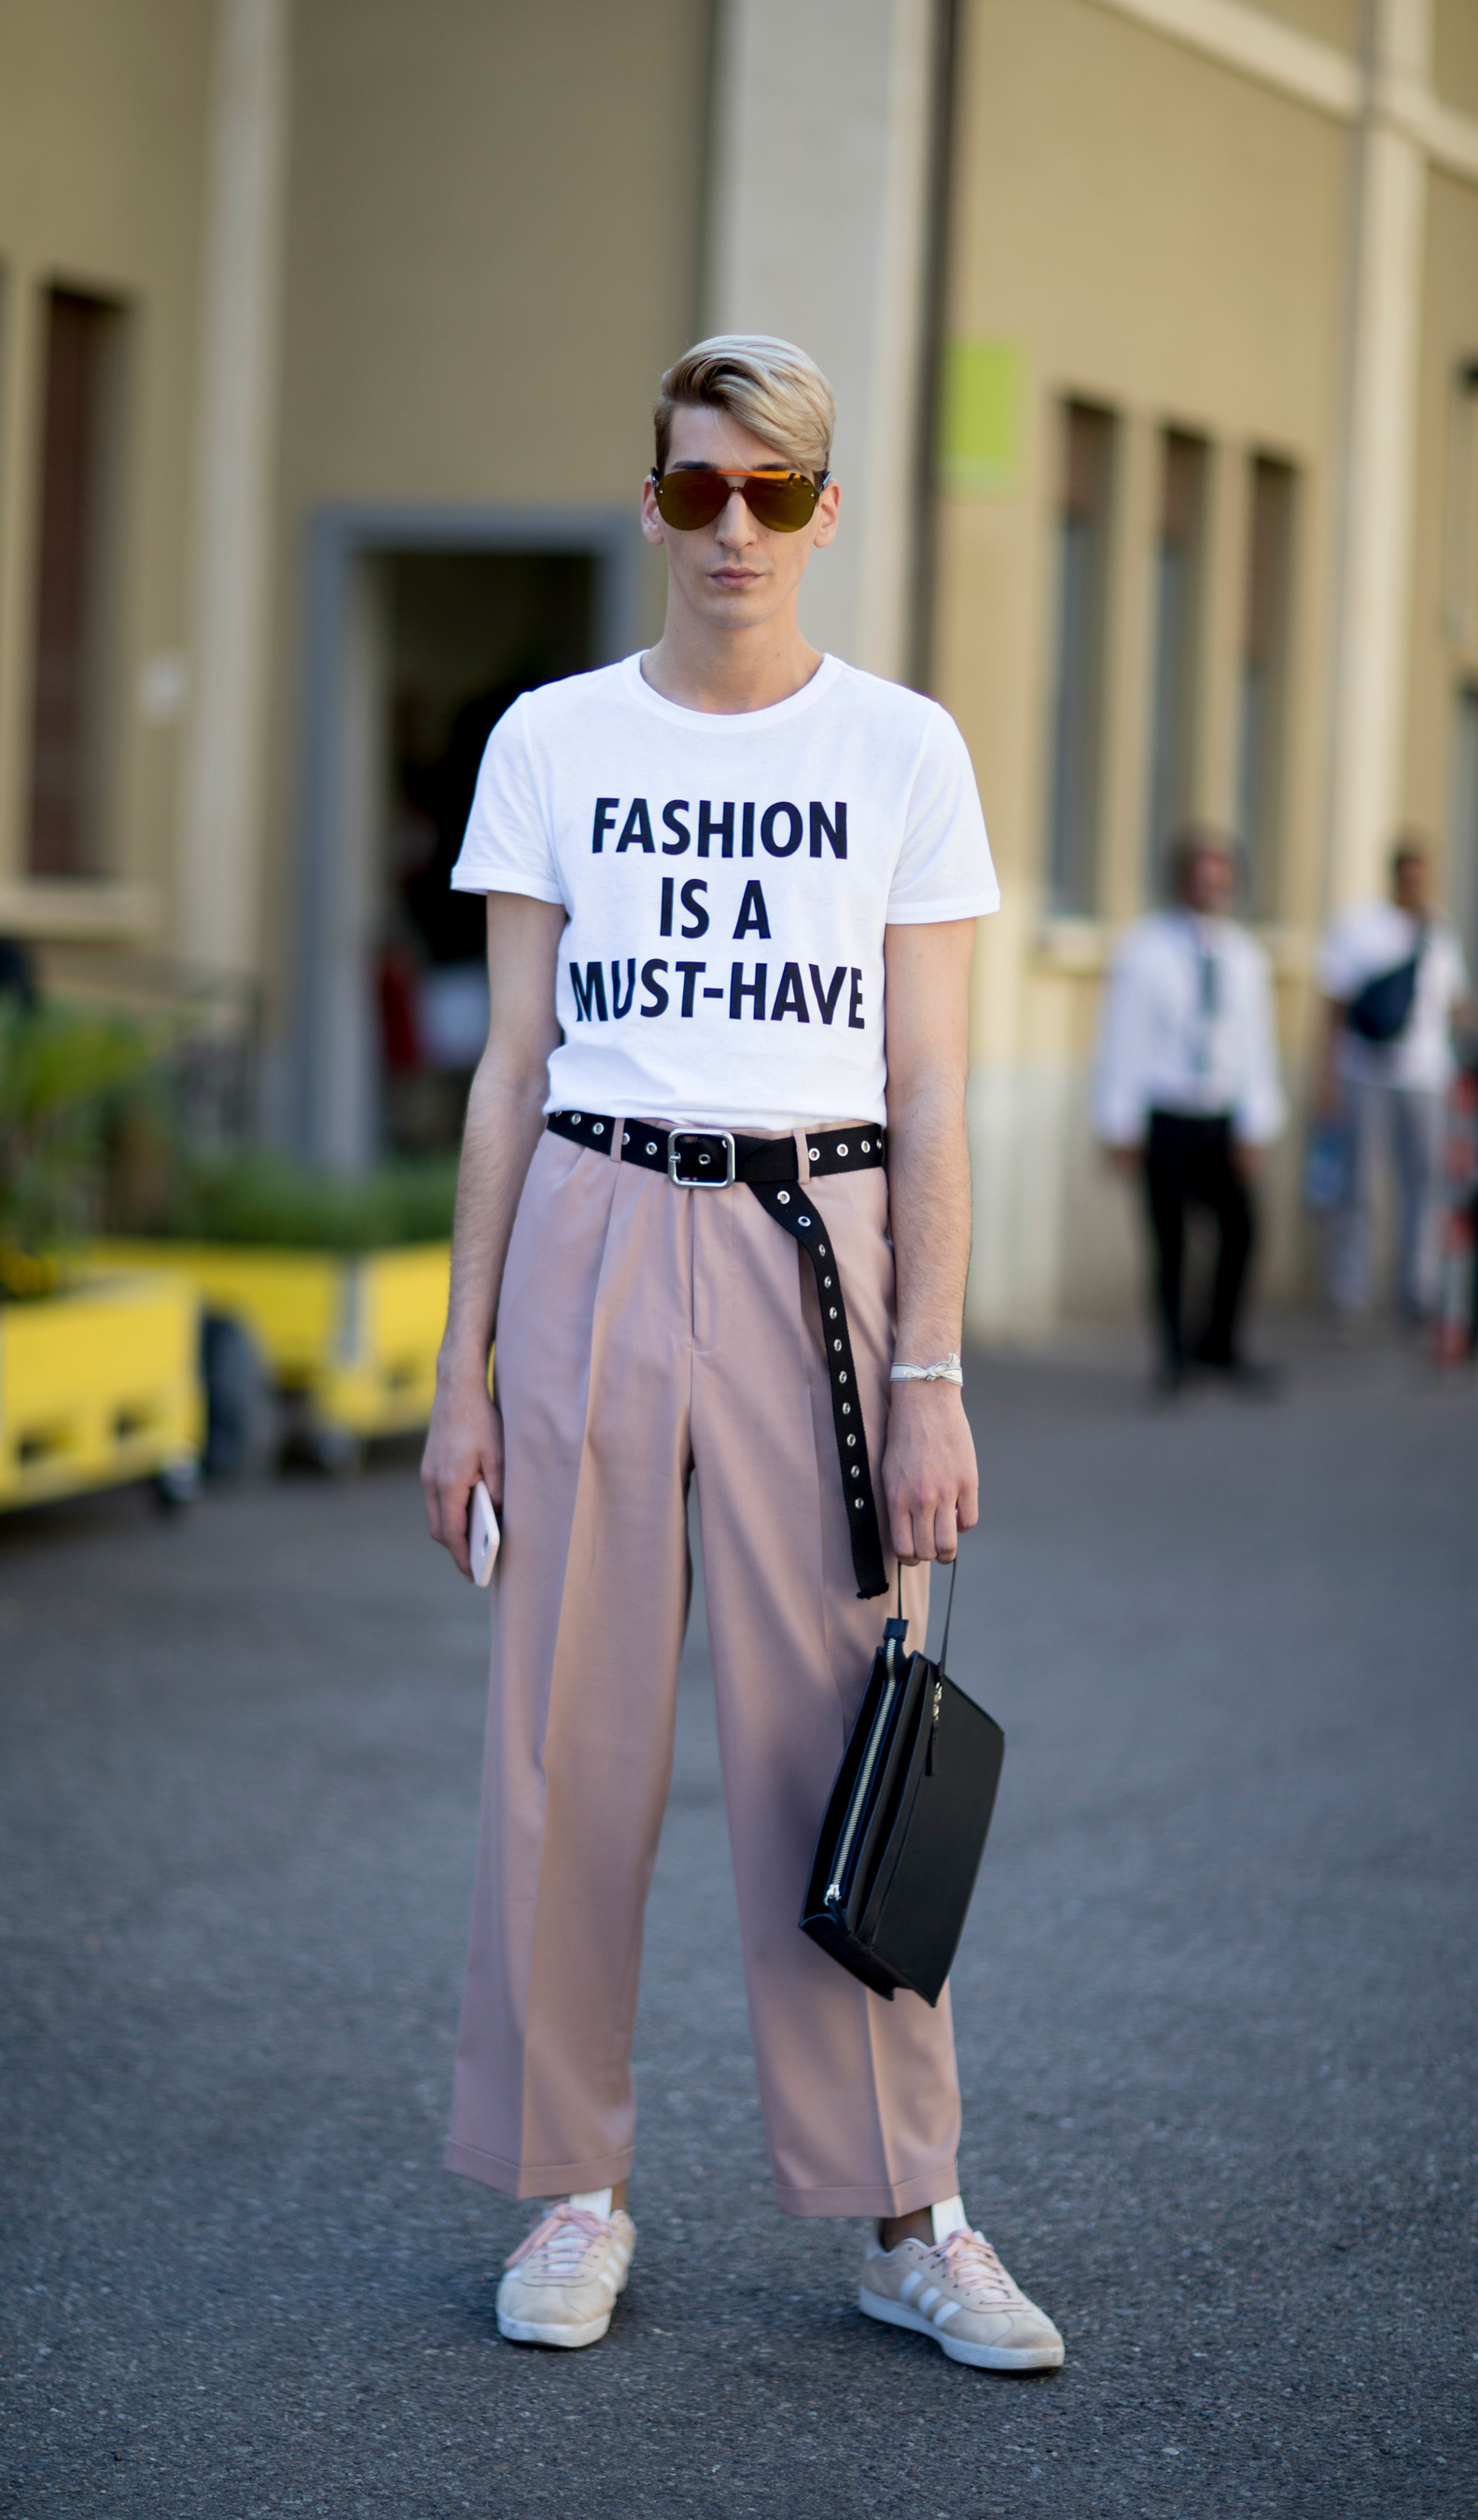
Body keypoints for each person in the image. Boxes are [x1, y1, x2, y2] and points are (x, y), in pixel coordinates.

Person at [419, 335, 1065, 2373]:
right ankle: (570, 2188)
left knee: (840, 1739)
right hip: (594, 1225)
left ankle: (909, 2215)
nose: (733, 528)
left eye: (772, 492)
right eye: (699, 487)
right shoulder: (554, 739)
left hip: (820, 1250)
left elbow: (933, 1090)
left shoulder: (902, 749)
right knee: (565, 1736)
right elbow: (508, 1068)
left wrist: (932, 1373)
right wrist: (457, 1373)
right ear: (653, 502)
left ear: (823, 513)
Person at [1092, 829, 1285, 1392]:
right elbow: (1122, 1038)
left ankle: (1219, 1343)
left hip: (1220, 1115)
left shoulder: (1243, 955)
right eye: (1200, 877)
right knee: (1170, 1240)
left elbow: (1255, 1043)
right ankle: (1173, 1356)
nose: (1210, 888)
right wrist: (1120, 1122)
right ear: (1180, 881)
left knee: (1242, 1230)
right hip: (1167, 1115)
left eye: (1219, 878)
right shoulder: (1145, 950)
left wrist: (1255, 1121)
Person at [1317, 838, 1471, 1324]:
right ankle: (1351, 1289)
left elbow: (1455, 1004)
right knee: (1358, 1183)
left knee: (1424, 1184)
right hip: (1366, 1071)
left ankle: (1417, 1287)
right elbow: (1334, 1005)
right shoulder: (1360, 928)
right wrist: (1326, 1075)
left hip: (1425, 1076)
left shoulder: (1439, 930)